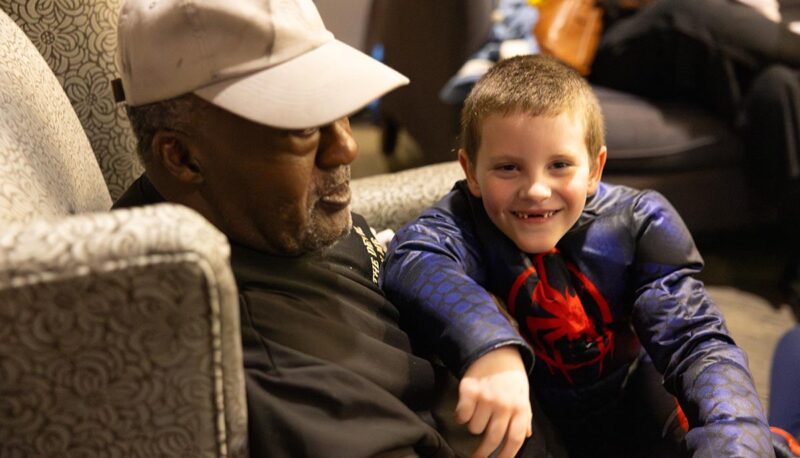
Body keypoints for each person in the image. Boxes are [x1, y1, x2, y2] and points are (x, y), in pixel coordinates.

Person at [381, 54, 777, 457]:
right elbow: (415, 257)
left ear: (594, 169)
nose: (536, 189)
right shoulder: (462, 219)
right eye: (507, 168)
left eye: (559, 165)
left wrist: (738, 433)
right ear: (470, 171)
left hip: (630, 401)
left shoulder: (640, 222)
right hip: (530, 414)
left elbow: (694, 338)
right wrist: (490, 348)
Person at [110, 0, 456, 456]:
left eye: (339, 104)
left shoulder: (268, 218)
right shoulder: (261, 362)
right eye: (303, 126)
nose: (347, 147)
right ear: (181, 157)